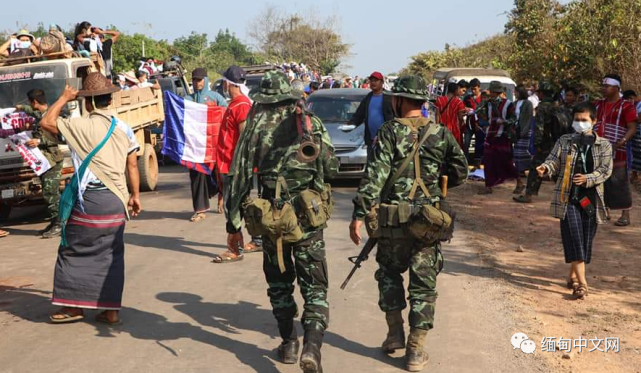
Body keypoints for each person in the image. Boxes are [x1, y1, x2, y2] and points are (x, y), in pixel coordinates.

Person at [349, 75, 468, 372]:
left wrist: (359, 214)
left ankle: (394, 335)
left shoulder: (388, 132)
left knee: (389, 275)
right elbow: (461, 171)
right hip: (428, 221)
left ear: (399, 100)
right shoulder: (440, 132)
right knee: (423, 284)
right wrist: (434, 187)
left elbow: (374, 177)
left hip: (393, 222)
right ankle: (416, 351)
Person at [225, 71, 337, 372]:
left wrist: (232, 224)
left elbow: (238, 177)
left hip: (272, 219)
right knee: (315, 286)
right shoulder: (313, 123)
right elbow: (331, 167)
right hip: (308, 219)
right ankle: (312, 348)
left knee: (278, 283)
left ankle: (289, 344)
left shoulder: (254, 126)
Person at [39, 73, 142, 324]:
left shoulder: (81, 125)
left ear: (89, 102)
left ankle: (74, 308)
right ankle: (111, 310)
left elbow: (47, 122)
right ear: (108, 100)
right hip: (117, 200)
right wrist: (135, 196)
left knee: (73, 251)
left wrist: (64, 97)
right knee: (111, 254)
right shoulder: (123, 126)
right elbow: (132, 165)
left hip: (92, 202)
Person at [537, 102, 613, 300]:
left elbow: (605, 170)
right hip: (568, 197)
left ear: (594, 121)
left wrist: (588, 179)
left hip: (591, 200)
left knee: (585, 240)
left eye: (584, 120)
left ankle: (572, 275)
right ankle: (582, 285)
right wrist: (545, 168)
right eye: (577, 120)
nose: (579, 123)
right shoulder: (565, 140)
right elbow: (553, 159)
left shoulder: (603, 145)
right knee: (574, 237)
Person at [212, 66, 254, 262]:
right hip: (227, 166)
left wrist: (239, 168)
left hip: (233, 168)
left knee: (233, 208)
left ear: (228, 83)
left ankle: (235, 249)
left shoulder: (241, 106)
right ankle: (241, 243)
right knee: (234, 207)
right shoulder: (236, 104)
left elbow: (245, 140)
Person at [17, 89, 65, 238]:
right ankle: (54, 221)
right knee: (47, 193)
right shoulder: (42, 114)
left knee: (51, 194)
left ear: (35, 102)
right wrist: (21, 108)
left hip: (52, 161)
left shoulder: (52, 116)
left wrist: (39, 141)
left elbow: (61, 137)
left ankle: (59, 224)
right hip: (44, 162)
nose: (30, 106)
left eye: (30, 103)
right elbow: (32, 112)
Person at [514, 81, 570, 203]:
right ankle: (567, 194)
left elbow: (539, 127)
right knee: (557, 169)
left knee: (536, 167)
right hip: (557, 142)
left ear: (542, 94)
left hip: (545, 143)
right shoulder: (559, 107)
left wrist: (537, 144)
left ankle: (528, 195)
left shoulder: (542, 108)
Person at [184, 68, 228, 222]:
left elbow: (226, 115)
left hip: (215, 144)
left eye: (200, 79)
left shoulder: (216, 98)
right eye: (195, 80)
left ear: (206, 80)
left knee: (219, 174)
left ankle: (221, 198)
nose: (197, 83)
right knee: (197, 176)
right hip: (196, 147)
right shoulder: (188, 99)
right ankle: (200, 209)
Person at [594, 74, 638, 226]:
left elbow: (632, 128)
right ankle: (603, 210)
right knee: (599, 179)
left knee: (619, 181)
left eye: (607, 86)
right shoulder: (598, 104)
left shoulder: (626, 106)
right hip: (598, 148)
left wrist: (620, 143)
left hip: (618, 150)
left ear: (617, 88)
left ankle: (625, 214)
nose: (603, 89)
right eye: (603, 86)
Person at [478, 81, 518, 194]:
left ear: (497, 92)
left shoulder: (509, 104)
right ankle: (488, 186)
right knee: (488, 160)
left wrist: (504, 121)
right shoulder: (488, 103)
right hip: (490, 136)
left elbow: (514, 119)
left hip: (503, 136)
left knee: (505, 161)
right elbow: (484, 117)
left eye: (492, 92)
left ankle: (519, 181)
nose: (490, 94)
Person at [348, 71, 394, 157]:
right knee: (372, 167)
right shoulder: (368, 98)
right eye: (371, 80)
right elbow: (359, 115)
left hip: (386, 140)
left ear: (382, 82)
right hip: (371, 141)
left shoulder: (390, 98)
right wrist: (351, 125)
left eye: (376, 80)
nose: (373, 83)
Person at [512, 85, 535, 194]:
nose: (514, 94)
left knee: (522, 153)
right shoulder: (515, 103)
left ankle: (526, 172)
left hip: (524, 131)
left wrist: (524, 131)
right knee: (516, 154)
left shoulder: (528, 103)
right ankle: (520, 176)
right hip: (516, 131)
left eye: (515, 92)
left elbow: (529, 118)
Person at [434, 82, 467, 147]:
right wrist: (461, 125)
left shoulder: (439, 100)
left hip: (442, 129)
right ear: (455, 91)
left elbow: (437, 115)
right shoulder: (459, 102)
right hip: (454, 130)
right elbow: (460, 117)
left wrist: (437, 126)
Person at [463, 78, 484, 165]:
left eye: (474, 89)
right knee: (466, 144)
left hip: (480, 125)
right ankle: (466, 162)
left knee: (479, 145)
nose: (473, 91)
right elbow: (462, 108)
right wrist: (466, 109)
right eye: (471, 89)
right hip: (469, 125)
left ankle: (478, 162)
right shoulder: (468, 98)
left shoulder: (484, 98)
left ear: (479, 87)